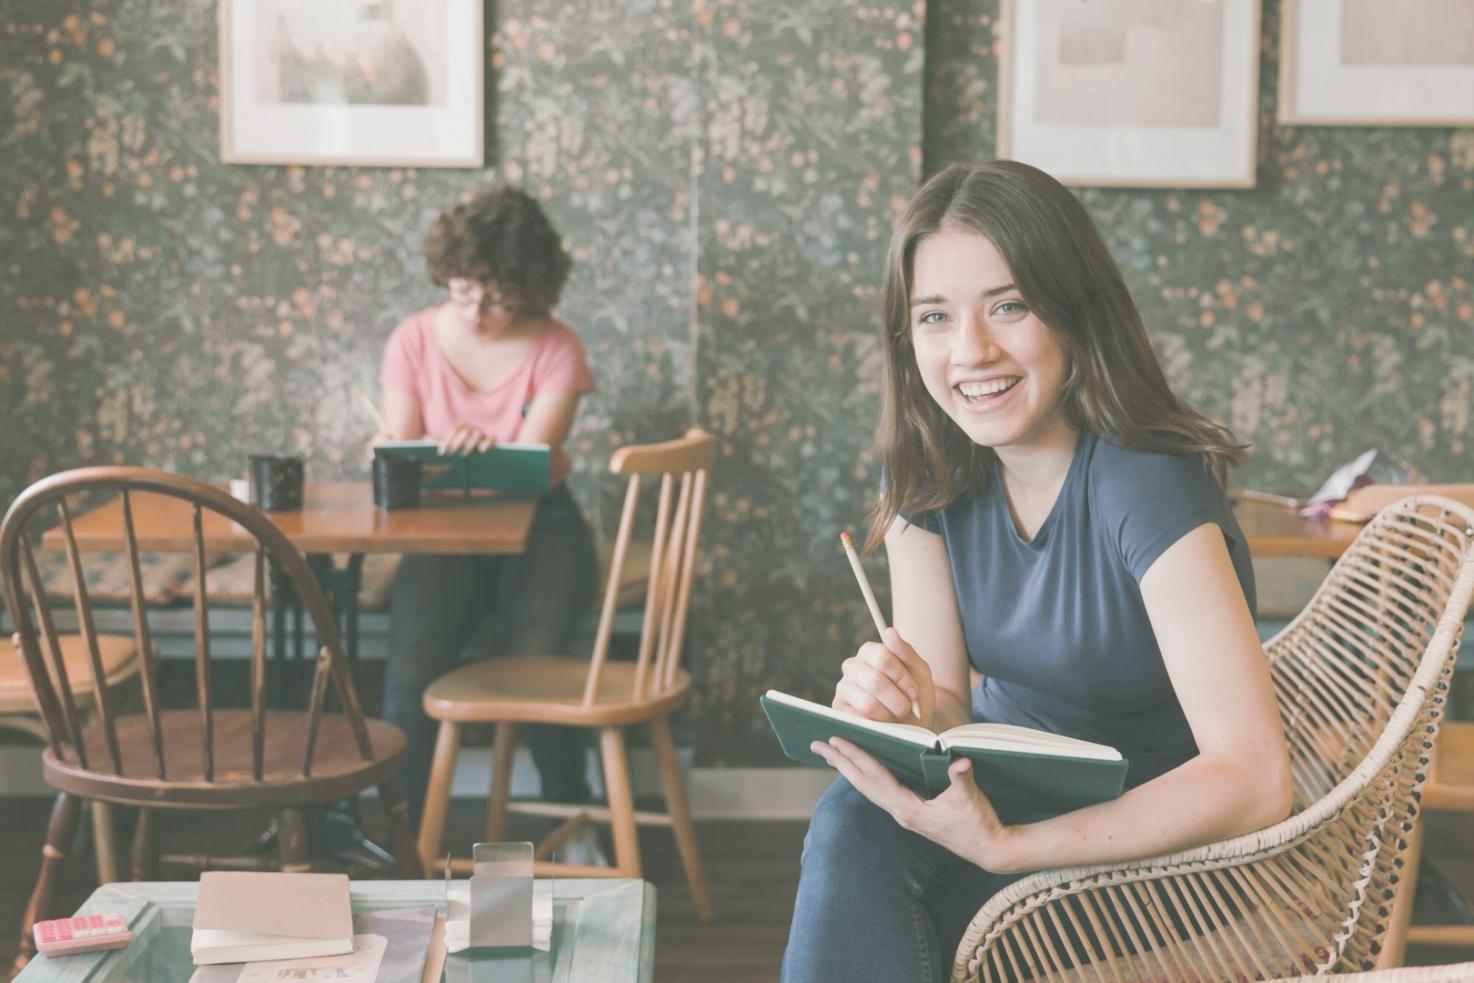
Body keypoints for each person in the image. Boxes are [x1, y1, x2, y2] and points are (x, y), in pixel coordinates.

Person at [781, 161, 1292, 982]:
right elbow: (945, 703)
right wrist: (902, 708)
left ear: (1073, 310)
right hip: (1002, 801)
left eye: (1009, 307)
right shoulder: (927, 470)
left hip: (1157, 848)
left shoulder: (1145, 481)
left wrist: (1012, 842)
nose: (969, 352)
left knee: (872, 892)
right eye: (935, 317)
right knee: (854, 817)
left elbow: (1256, 778)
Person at [376, 186, 599, 829]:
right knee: (410, 670)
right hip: (444, 532)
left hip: (543, 524)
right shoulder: (413, 341)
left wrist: (486, 451)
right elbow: (400, 453)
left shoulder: (558, 346)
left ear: (530, 291)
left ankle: (568, 817)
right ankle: (404, 834)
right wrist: (402, 454)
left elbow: (533, 467)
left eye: (498, 297)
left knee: (539, 664)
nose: (477, 311)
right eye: (463, 290)